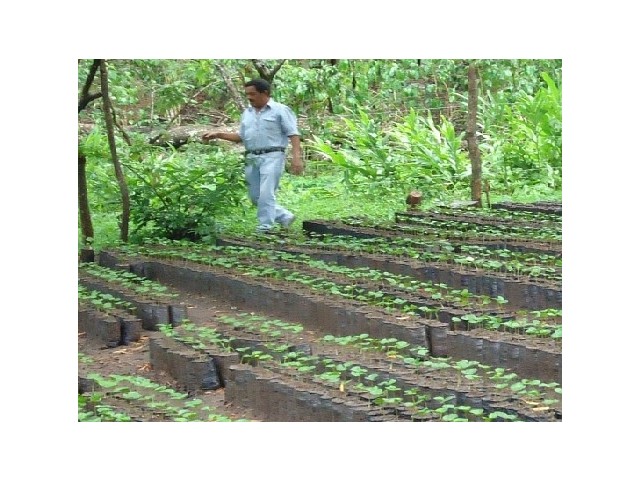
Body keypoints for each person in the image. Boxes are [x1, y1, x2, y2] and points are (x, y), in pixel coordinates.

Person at [203, 78, 303, 234]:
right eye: (247, 94)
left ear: (265, 93)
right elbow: (241, 137)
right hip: (252, 157)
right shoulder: (247, 113)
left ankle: (265, 228)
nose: (249, 97)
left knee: (266, 192)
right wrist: (219, 134)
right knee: (255, 196)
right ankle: (284, 216)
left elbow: (293, 134)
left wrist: (297, 157)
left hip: (273, 155)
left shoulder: (280, 110)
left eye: (253, 94)